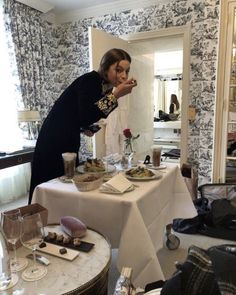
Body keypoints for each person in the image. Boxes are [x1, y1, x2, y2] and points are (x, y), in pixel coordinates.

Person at [28, 48, 137, 204]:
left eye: (126, 71)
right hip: (54, 142)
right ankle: (40, 220)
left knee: (63, 187)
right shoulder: (90, 80)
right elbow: (86, 115)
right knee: (52, 187)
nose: (123, 76)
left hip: (63, 138)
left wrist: (84, 127)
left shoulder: (100, 85)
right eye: (118, 70)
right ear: (105, 67)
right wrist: (116, 95)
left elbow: (80, 114)